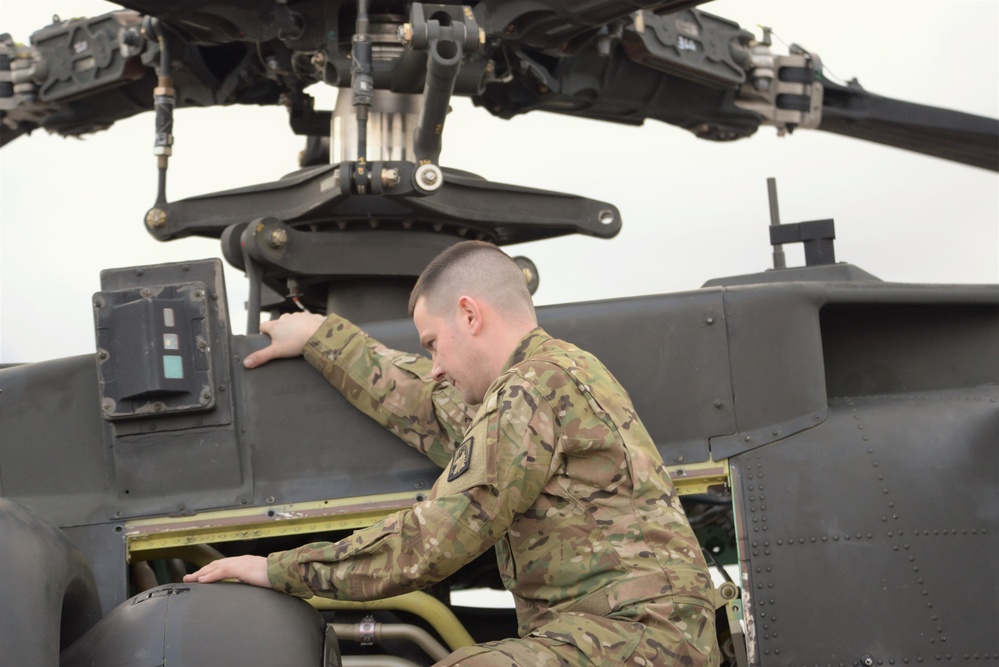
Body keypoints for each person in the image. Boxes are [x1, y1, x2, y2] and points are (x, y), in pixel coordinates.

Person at [185, 240, 720, 666]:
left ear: (469, 314)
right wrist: (322, 336)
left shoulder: (531, 388)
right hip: (633, 637)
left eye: (432, 343)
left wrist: (278, 570)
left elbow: (433, 539)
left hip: (635, 641)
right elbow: (426, 403)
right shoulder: (554, 374)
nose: (435, 364)